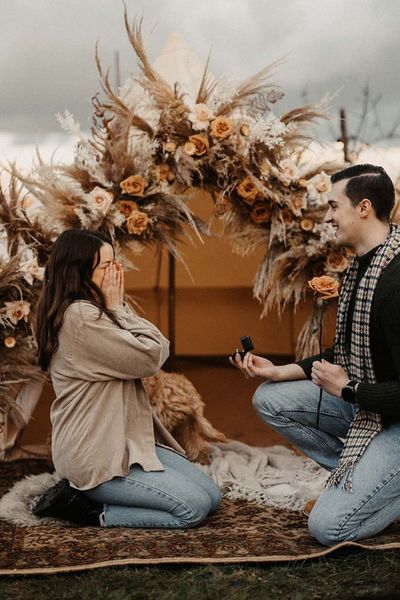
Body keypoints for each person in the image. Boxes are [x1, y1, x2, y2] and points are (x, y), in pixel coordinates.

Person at [231, 164, 400, 546]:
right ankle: (369, 485)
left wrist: (351, 390)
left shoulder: (395, 283)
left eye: (332, 206)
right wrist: (280, 371)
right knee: (271, 399)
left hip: (391, 417)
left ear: (363, 208)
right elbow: (345, 352)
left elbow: (355, 382)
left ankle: (377, 491)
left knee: (328, 528)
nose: (326, 216)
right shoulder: (363, 267)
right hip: (371, 408)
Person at [33, 229, 221, 528]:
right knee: (193, 508)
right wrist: (119, 307)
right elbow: (152, 356)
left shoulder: (97, 309)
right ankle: (88, 511)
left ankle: (101, 496)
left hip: (125, 442)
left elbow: (153, 349)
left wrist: (115, 308)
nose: (116, 272)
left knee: (212, 496)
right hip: (96, 456)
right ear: (79, 273)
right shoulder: (80, 317)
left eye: (115, 262)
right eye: (106, 266)